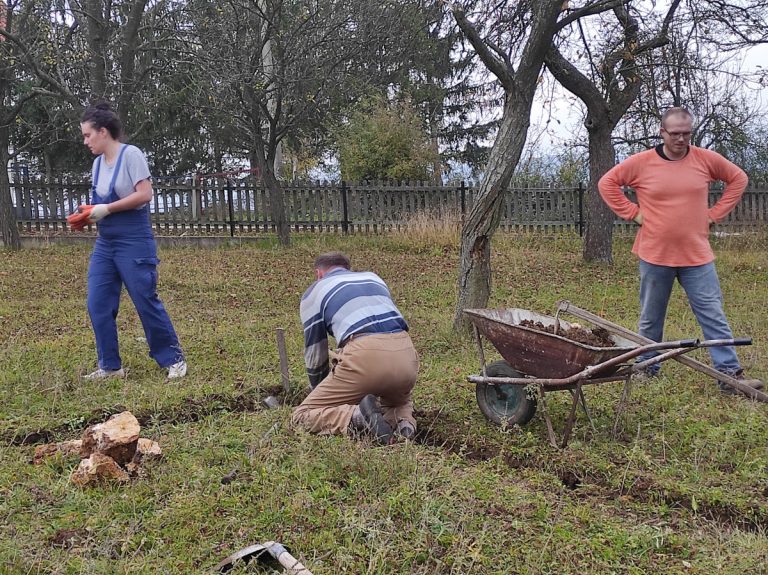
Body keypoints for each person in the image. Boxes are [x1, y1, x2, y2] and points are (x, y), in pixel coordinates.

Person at [598, 106, 763, 395]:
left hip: (696, 255)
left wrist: (714, 215)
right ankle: (647, 368)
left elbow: (739, 178)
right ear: (662, 132)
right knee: (651, 317)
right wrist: (632, 213)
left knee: (713, 314)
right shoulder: (642, 163)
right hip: (655, 254)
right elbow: (607, 183)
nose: (681, 139)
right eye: (675, 133)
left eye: (686, 133)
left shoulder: (704, 159)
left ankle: (729, 376)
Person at [73, 101, 187, 380]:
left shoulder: (131, 155)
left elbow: (144, 194)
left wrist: (107, 209)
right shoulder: (97, 164)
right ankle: (110, 367)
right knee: (97, 302)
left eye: (88, 135)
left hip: (134, 240)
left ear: (103, 132)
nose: (85, 141)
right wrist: (88, 215)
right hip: (106, 243)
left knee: (144, 298)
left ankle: (173, 360)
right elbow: (101, 204)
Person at [291, 252, 419, 444]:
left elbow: (316, 353)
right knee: (399, 403)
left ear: (318, 274)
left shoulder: (316, 291)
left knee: (301, 416)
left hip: (365, 355)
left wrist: (321, 390)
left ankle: (359, 416)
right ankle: (404, 425)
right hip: (406, 353)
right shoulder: (373, 278)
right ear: (347, 269)